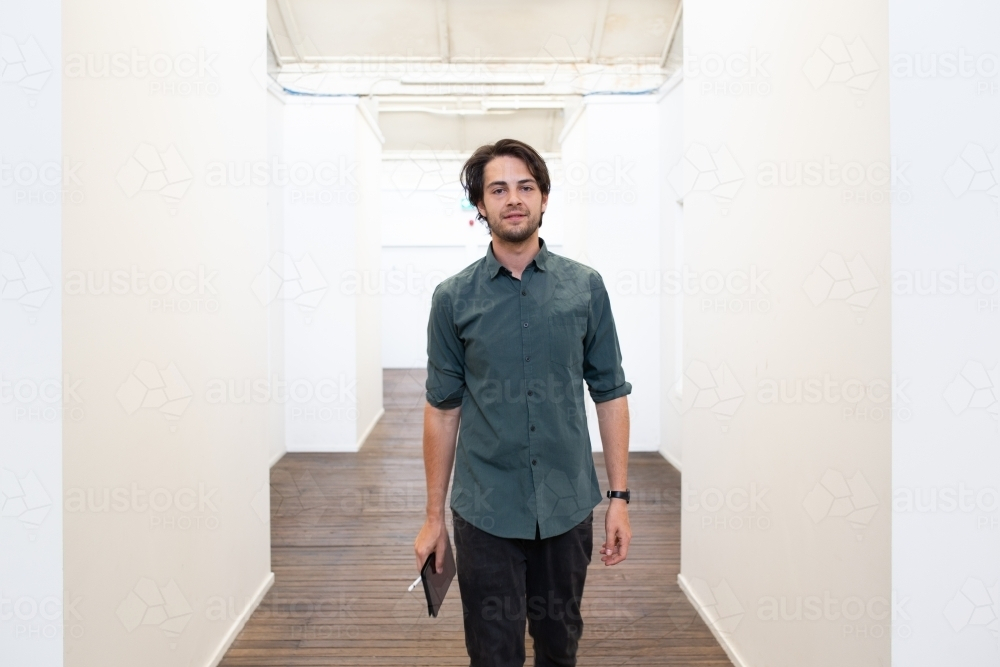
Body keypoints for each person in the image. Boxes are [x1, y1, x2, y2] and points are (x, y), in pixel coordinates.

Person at [414, 138, 633, 667]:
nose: (514, 198)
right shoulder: (453, 298)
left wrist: (619, 497)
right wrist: (432, 516)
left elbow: (610, 392)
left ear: (544, 198)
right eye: (498, 189)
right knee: (494, 653)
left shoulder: (585, 288)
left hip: (566, 506)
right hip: (486, 511)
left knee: (560, 646)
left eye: (525, 187)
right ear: (480, 207)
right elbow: (442, 409)